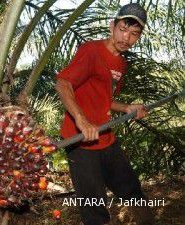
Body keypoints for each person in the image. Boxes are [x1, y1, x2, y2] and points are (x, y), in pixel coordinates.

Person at [55, 3, 154, 225]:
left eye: (134, 34)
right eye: (122, 29)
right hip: (80, 142)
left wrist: (128, 107)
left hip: (105, 137)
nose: (126, 37)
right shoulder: (91, 50)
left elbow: (106, 100)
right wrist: (81, 120)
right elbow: (63, 83)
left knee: (132, 191)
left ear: (138, 37)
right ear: (112, 26)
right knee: (94, 209)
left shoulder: (121, 63)